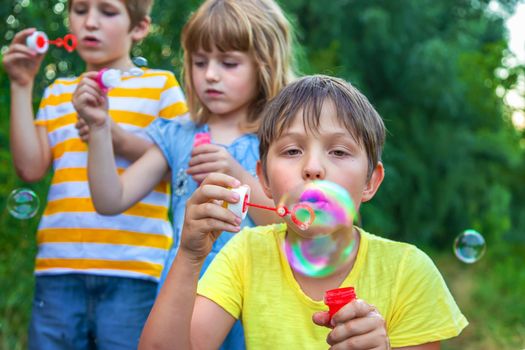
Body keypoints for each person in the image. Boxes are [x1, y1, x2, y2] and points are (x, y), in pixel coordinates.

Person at [139, 75, 469, 349]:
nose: (312, 168)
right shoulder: (246, 253)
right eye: (292, 150)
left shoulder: (408, 272)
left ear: (371, 182)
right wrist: (190, 255)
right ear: (264, 180)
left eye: (339, 151)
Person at [78, 0, 295, 348]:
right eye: (199, 61)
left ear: (264, 65)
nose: (210, 74)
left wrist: (237, 173)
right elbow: (110, 198)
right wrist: (100, 127)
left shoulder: (280, 139)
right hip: (183, 293)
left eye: (228, 63)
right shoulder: (178, 135)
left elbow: (292, 220)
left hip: (254, 298)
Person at [2, 0, 188, 348]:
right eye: (80, 10)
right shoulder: (59, 92)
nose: (90, 22)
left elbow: (175, 158)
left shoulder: (160, 86)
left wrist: (112, 135)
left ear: (140, 28)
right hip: (59, 267)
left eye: (107, 11)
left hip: (134, 269)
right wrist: (22, 85)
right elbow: (29, 168)